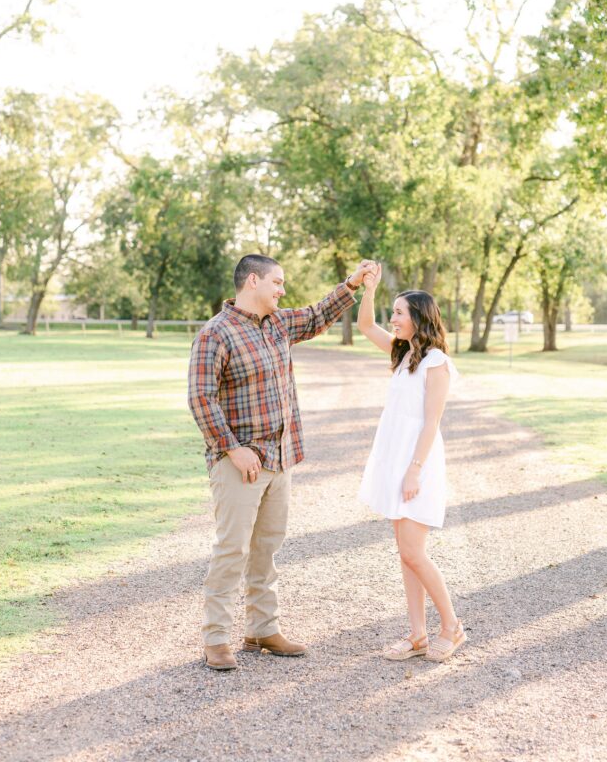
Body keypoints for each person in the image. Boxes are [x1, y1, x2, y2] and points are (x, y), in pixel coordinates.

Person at [188, 253, 376, 670]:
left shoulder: (277, 324)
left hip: (280, 457)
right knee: (231, 549)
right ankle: (216, 638)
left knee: (266, 549)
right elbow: (200, 398)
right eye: (278, 282)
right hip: (238, 462)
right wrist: (232, 448)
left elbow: (317, 315)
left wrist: (353, 282)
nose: (282, 289)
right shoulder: (215, 334)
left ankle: (261, 630)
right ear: (252, 281)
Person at [357, 263, 465, 663]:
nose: (393, 318)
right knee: (405, 552)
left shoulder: (436, 362)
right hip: (395, 458)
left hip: (417, 463)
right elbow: (367, 325)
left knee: (414, 551)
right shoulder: (403, 355)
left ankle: (451, 627)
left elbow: (431, 421)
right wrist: (369, 288)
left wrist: (414, 469)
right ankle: (418, 634)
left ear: (418, 318)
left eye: (399, 312)